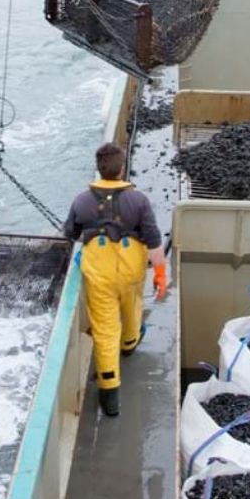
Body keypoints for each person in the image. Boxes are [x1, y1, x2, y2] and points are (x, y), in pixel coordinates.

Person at [62, 142, 168, 418]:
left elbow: (70, 233)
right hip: (132, 269)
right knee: (132, 306)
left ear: (99, 170)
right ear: (122, 170)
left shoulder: (81, 201)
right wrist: (159, 275)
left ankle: (110, 395)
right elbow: (154, 243)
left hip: (99, 273)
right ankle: (130, 344)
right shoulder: (139, 201)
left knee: (105, 329)